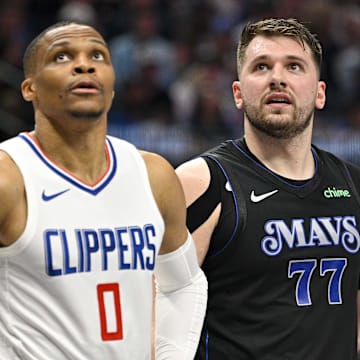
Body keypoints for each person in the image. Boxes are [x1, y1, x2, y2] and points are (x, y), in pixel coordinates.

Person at [0, 21, 207, 360]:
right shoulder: (9, 178)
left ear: (111, 87)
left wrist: (172, 355)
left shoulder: (152, 176)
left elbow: (184, 283)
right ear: (29, 88)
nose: (84, 64)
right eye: (62, 56)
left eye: (97, 55)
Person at [176, 18, 360, 359]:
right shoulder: (202, 181)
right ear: (238, 93)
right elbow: (158, 310)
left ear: (320, 92)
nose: (277, 77)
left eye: (294, 66)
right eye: (262, 67)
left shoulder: (353, 185)